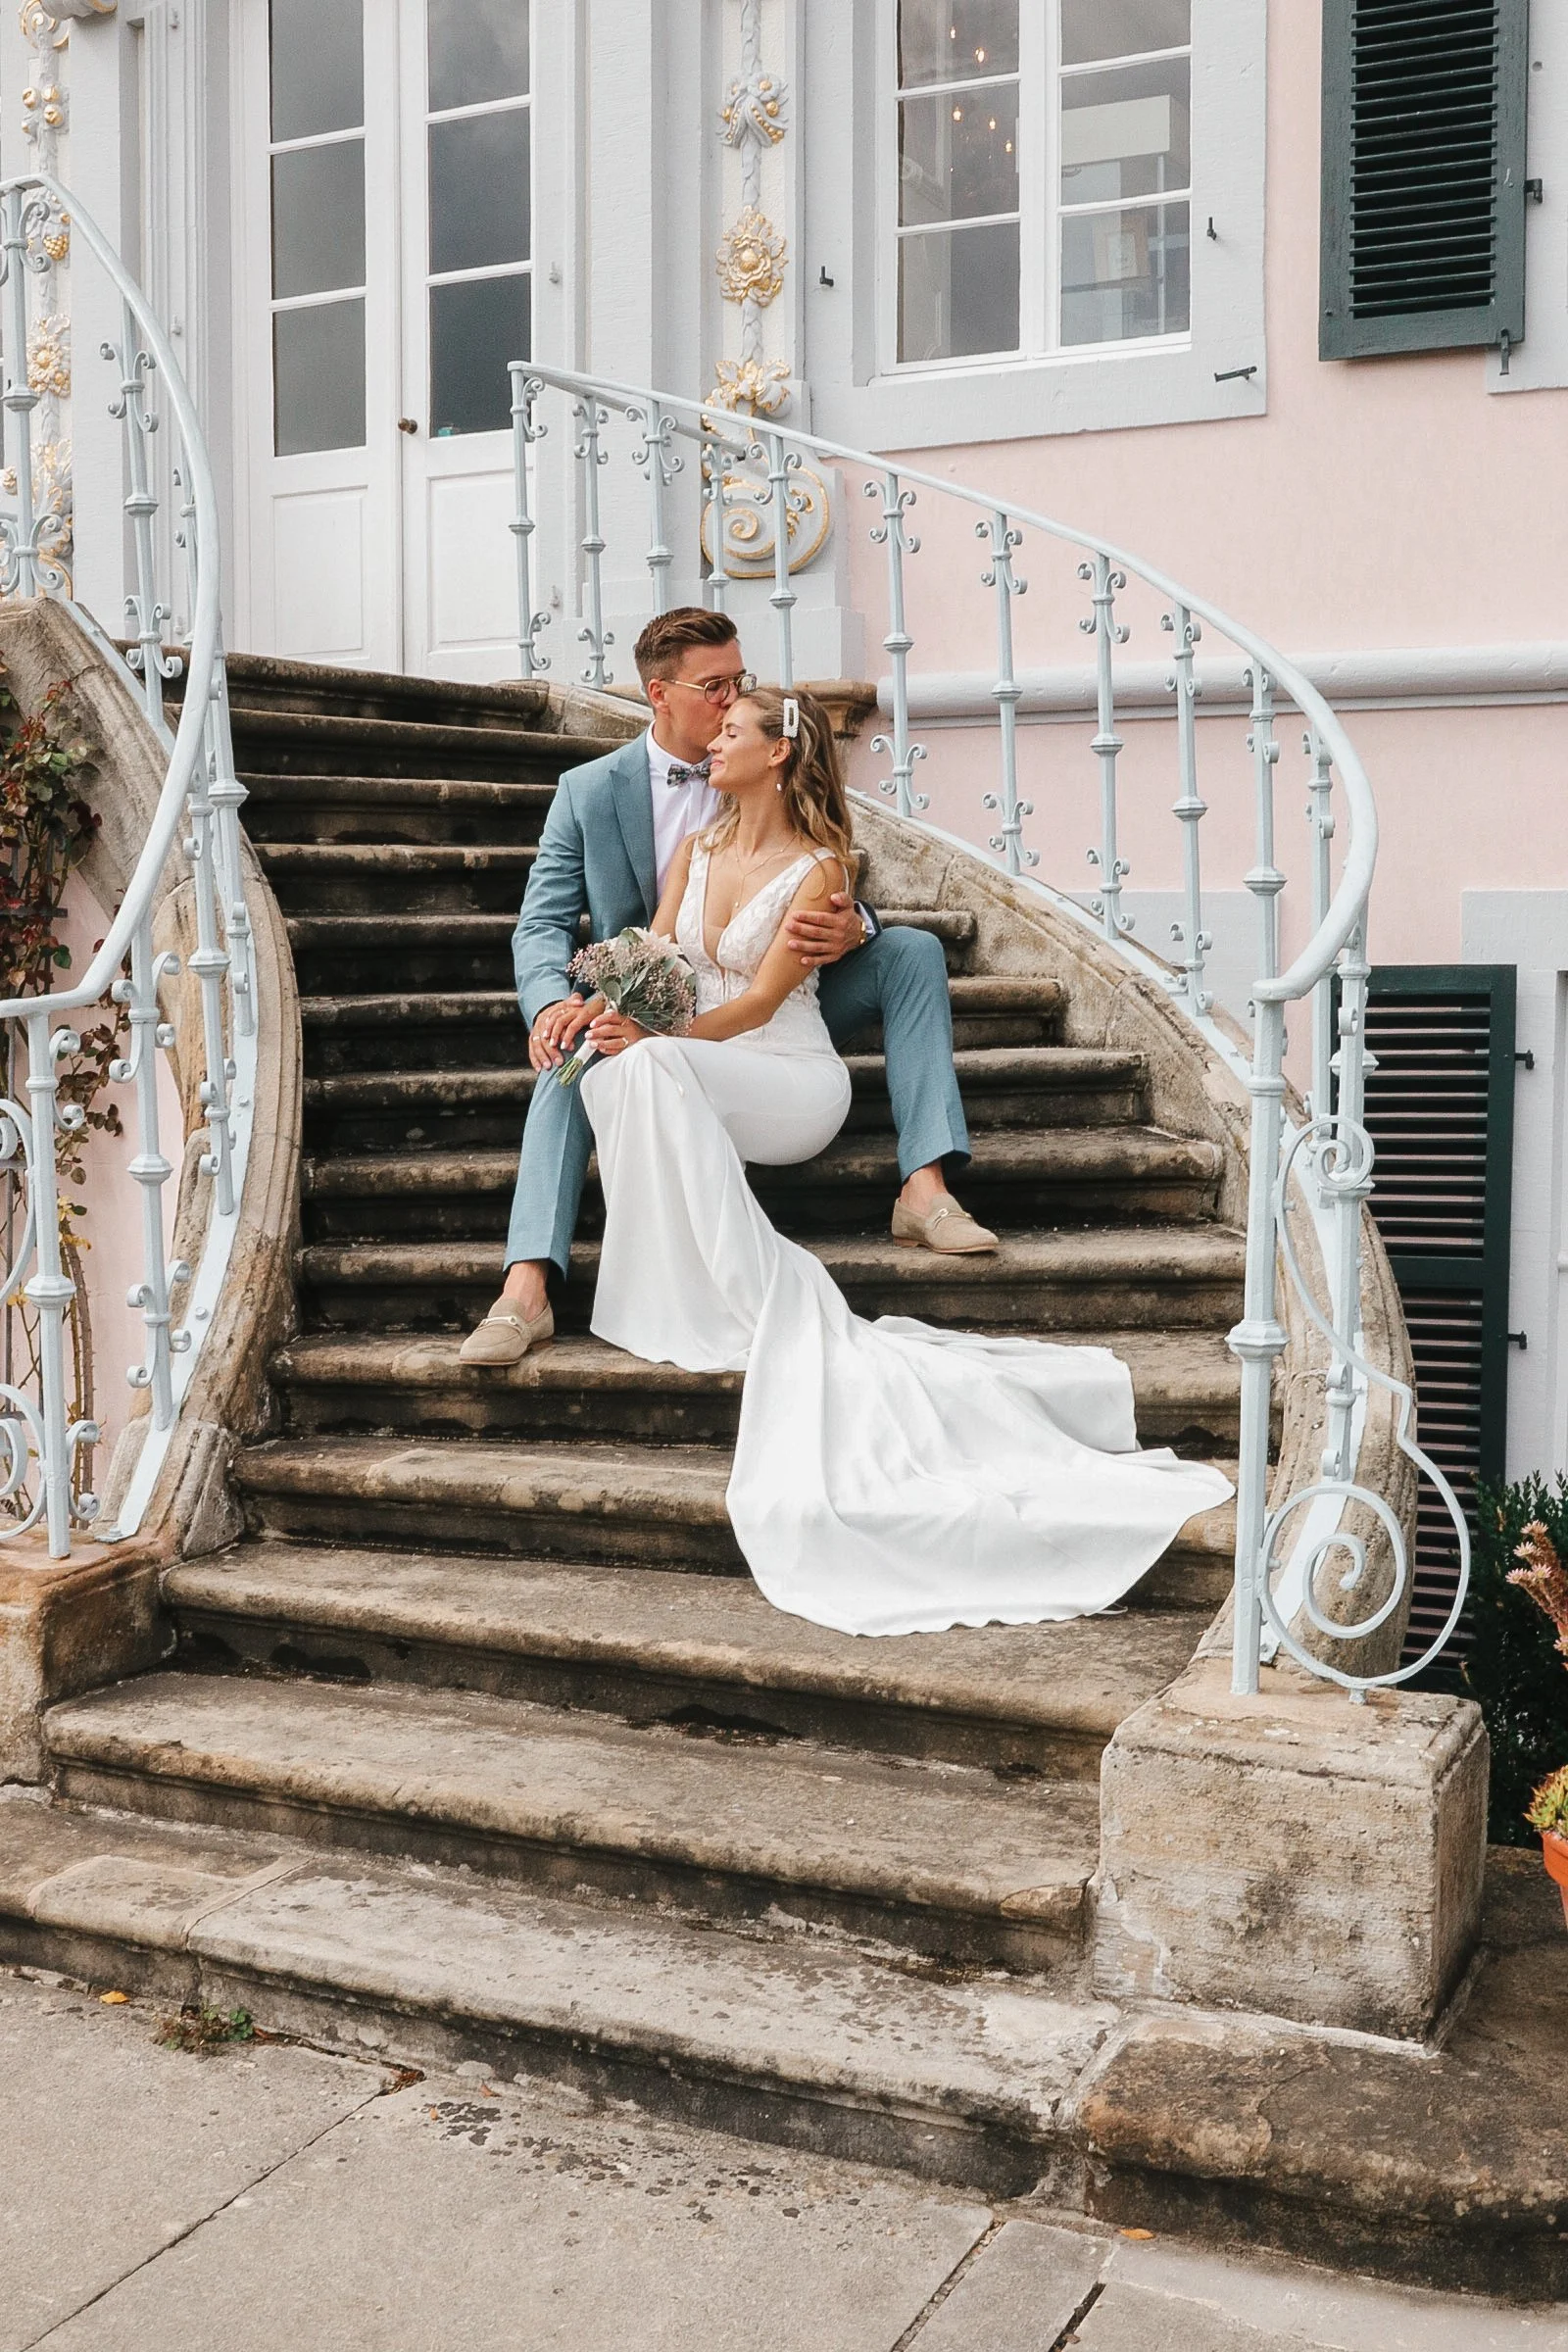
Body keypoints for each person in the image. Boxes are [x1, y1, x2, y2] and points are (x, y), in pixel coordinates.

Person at [574, 686, 1233, 1638]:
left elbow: (759, 1006)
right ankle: (667, 1287)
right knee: (614, 1074)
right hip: (710, 1058)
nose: (710, 743)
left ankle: (769, 1272)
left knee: (653, 1062)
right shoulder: (695, 849)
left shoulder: (818, 866)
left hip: (790, 1078)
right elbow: (653, 947)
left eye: (729, 732)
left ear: (778, 755)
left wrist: (657, 1033)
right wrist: (615, 1001)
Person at [461, 606, 995, 1368]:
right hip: (664, 995)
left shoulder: (756, 763)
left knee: (908, 949)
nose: (731, 698)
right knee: (571, 1044)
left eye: (738, 682)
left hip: (772, 1010)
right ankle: (526, 1287)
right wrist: (554, 1002)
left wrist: (856, 927)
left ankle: (925, 1187)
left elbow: (816, 877)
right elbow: (542, 922)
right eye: (715, 686)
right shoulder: (589, 791)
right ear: (659, 694)